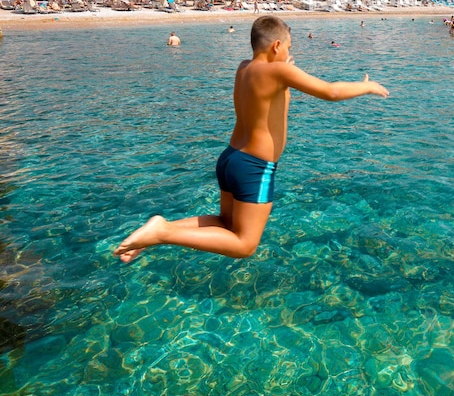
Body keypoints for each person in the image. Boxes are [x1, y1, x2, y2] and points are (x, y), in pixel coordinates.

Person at [114, 16, 389, 262]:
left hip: (230, 159)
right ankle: (162, 232)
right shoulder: (278, 71)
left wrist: (284, 74)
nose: (290, 53)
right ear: (277, 46)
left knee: (225, 223)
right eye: (289, 48)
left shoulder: (244, 68)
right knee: (244, 245)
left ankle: (153, 234)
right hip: (255, 166)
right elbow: (331, 92)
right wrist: (366, 86)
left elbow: (274, 106)